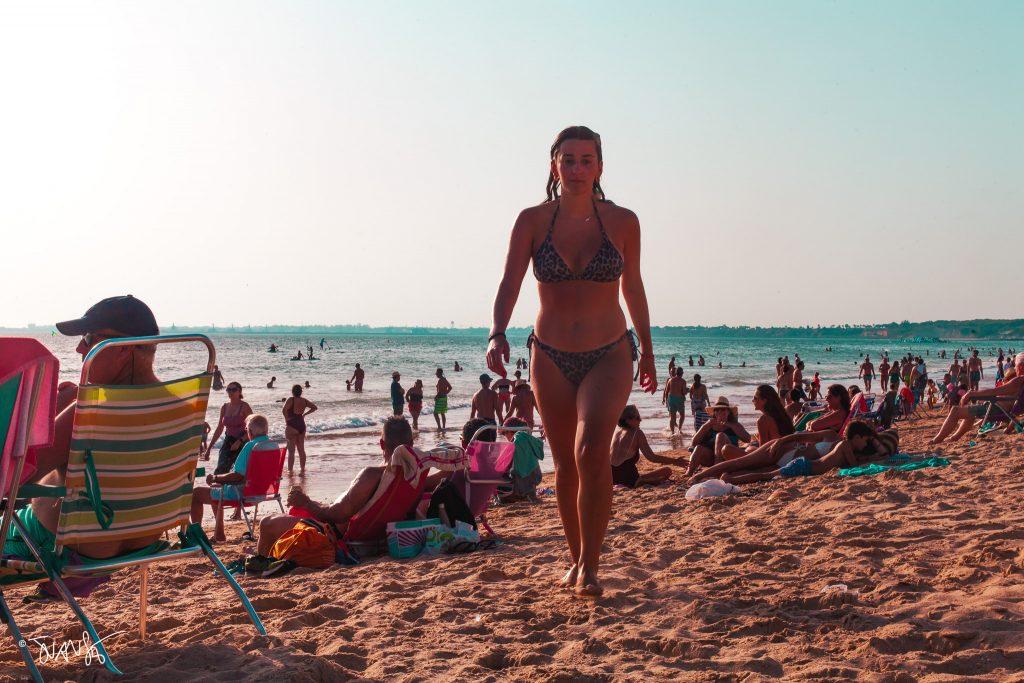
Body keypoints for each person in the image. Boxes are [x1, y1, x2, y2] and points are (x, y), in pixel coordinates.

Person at [486, 125, 657, 598]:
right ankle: (576, 556)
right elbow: (509, 283)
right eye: (569, 159)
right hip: (550, 355)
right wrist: (497, 332)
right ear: (554, 165)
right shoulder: (532, 221)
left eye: (586, 160)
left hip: (609, 352)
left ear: (600, 166)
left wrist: (647, 349)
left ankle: (592, 568)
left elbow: (633, 287)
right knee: (564, 463)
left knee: (590, 452)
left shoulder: (623, 221)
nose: (577, 168)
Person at [11, 295, 183, 561]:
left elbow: (14, 479)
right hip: (141, 546)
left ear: (123, 348)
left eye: (89, 338)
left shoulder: (88, 413)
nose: (79, 348)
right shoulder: (182, 409)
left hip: (51, 547)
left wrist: (45, 417)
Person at [252, 417, 419, 565]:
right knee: (294, 512)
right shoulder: (414, 477)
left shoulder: (372, 475)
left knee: (266, 523)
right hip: (377, 536)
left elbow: (339, 515)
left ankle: (260, 565)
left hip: (332, 534)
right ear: (411, 444)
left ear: (381, 444)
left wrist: (307, 503)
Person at [719, 422, 899, 485]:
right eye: (866, 440)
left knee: (767, 475)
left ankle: (731, 478)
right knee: (766, 476)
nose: (866, 444)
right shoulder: (844, 445)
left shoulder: (843, 447)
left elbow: (868, 457)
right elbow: (855, 465)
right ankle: (731, 479)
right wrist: (873, 455)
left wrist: (874, 447)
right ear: (857, 437)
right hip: (804, 466)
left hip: (804, 465)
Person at [190, 414, 270, 542]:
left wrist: (216, 477)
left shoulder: (251, 446)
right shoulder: (272, 445)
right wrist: (218, 481)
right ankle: (219, 534)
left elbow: (237, 476)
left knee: (196, 494)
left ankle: (197, 537)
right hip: (261, 492)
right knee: (215, 488)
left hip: (241, 493)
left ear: (250, 431)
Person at [929, 353, 1024, 444]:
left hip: (997, 409)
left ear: (1021, 367)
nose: (1014, 368)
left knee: (955, 410)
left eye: (1015, 366)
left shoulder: (1019, 380)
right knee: (970, 410)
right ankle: (954, 437)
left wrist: (971, 393)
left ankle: (937, 440)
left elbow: (994, 391)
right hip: (1003, 409)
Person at [610, 405, 685, 487]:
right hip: (629, 479)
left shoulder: (616, 433)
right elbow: (652, 457)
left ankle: (642, 480)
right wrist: (675, 461)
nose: (640, 420)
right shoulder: (637, 433)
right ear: (628, 420)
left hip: (612, 477)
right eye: (637, 418)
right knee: (667, 471)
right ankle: (641, 481)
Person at [717, 385, 795, 462]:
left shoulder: (763, 420)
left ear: (764, 401)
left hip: (774, 459)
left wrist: (751, 449)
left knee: (726, 449)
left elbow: (763, 453)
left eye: (755, 398)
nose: (752, 400)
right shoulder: (782, 415)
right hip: (787, 455)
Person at [686, 397, 751, 475]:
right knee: (698, 448)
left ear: (728, 412)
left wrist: (730, 425)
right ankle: (689, 472)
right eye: (717, 410)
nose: (720, 412)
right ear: (714, 413)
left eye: (723, 409)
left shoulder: (735, 425)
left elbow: (748, 439)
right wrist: (706, 426)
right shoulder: (710, 425)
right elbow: (694, 442)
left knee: (720, 436)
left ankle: (716, 470)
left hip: (729, 457)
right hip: (712, 458)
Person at [206, 381, 253, 474]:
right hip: (228, 441)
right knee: (220, 471)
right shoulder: (224, 407)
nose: (231, 392)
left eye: (233, 390)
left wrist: (239, 441)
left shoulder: (244, 406)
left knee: (239, 473)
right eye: (228, 389)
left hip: (242, 442)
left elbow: (252, 428)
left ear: (239, 391)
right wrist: (209, 448)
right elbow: (220, 428)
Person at [283, 384, 317, 472]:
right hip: (301, 425)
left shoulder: (291, 399)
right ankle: (302, 469)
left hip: (291, 425)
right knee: (301, 450)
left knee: (291, 451)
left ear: (292, 391)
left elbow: (284, 410)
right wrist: (305, 414)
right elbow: (314, 407)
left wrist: (287, 420)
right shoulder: (304, 400)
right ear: (301, 392)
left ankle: (290, 471)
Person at [662, 367, 688, 434]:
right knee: (682, 415)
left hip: (671, 399)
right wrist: (688, 390)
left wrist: (666, 400)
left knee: (672, 417)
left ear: (676, 373)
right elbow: (684, 392)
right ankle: (679, 429)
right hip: (679, 399)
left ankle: (672, 432)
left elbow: (666, 391)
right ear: (682, 373)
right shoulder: (683, 381)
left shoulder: (670, 380)